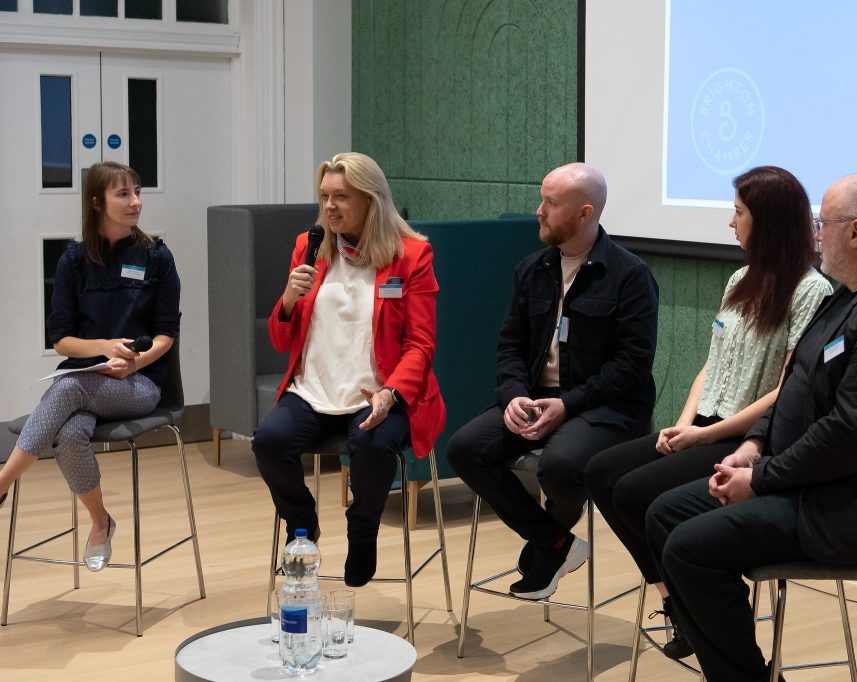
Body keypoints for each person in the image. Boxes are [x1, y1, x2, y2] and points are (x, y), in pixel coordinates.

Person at [644, 173, 857, 682]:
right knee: (664, 514)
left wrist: (760, 478)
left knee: (690, 547)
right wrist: (752, 445)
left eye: (822, 224)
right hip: (810, 484)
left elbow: (848, 435)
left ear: (856, 232)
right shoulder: (850, 296)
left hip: (855, 508)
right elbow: (794, 387)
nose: (814, 235)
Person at [584, 166, 830, 658]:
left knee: (636, 492)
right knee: (600, 472)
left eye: (738, 213)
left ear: (770, 221)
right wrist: (684, 422)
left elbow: (785, 393)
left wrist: (705, 436)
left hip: (746, 439)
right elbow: (710, 365)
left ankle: (704, 604)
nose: (730, 223)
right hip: (705, 423)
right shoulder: (741, 277)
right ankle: (676, 600)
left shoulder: (811, 292)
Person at [446, 162, 659, 600]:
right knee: (465, 450)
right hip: (535, 397)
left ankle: (551, 540)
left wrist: (570, 404)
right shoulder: (532, 269)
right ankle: (557, 542)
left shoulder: (630, 275)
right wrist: (513, 395)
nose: (538, 211)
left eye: (551, 203)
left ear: (584, 213)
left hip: (604, 408)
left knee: (560, 468)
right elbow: (509, 346)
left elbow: (632, 364)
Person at [252, 151, 445, 587]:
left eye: (341, 197)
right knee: (268, 442)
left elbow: (420, 345)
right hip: (313, 391)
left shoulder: (411, 255)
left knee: (372, 445)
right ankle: (302, 528)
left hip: (380, 393)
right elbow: (283, 341)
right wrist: (287, 299)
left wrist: (389, 394)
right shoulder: (310, 246)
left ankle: (363, 533)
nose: (330, 208)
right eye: (324, 197)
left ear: (371, 200)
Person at [0, 162, 181, 573]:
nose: (135, 202)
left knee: (68, 389)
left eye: (137, 191)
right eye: (123, 194)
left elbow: (166, 334)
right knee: (70, 433)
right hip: (85, 379)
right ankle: (100, 522)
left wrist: (134, 363)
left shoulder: (156, 257)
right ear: (97, 203)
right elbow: (61, 339)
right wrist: (102, 347)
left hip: (139, 383)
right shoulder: (74, 260)